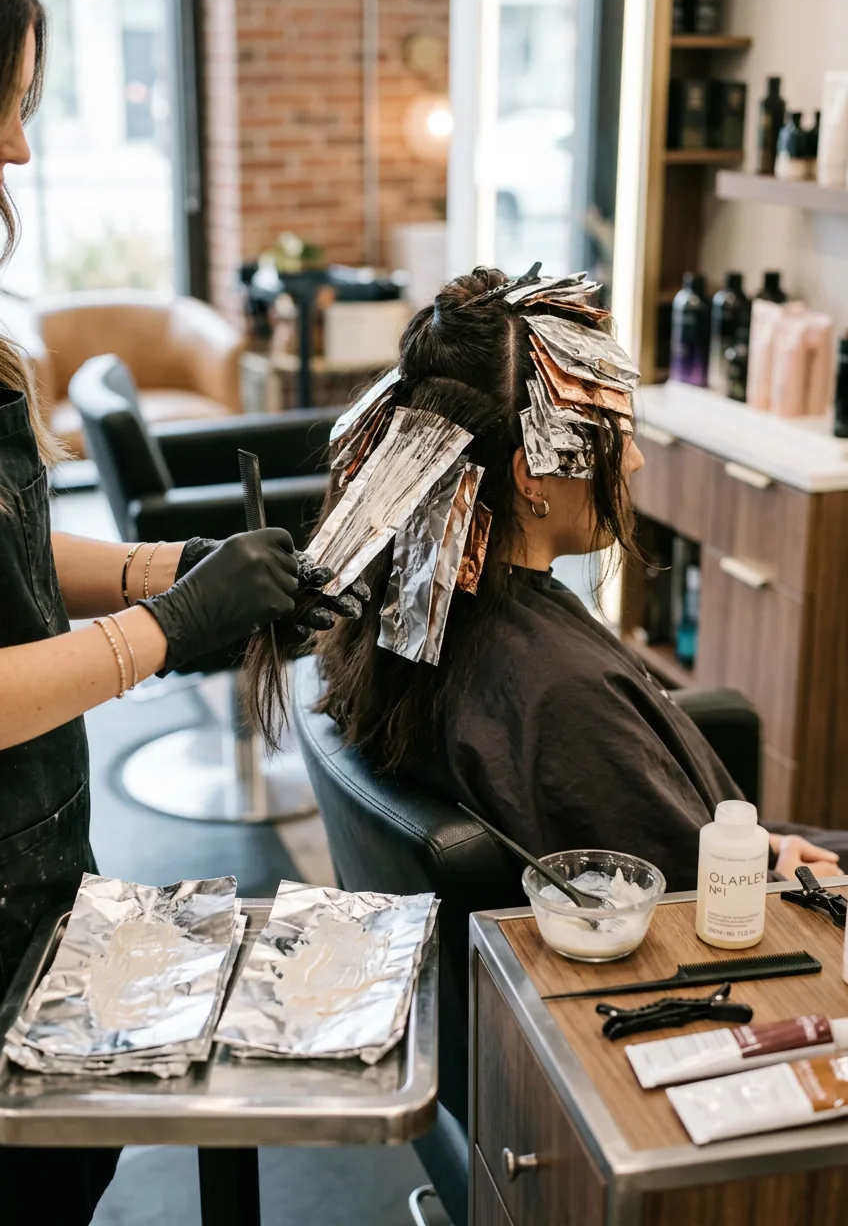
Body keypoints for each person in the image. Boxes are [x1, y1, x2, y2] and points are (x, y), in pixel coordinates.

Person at [0, 0, 362, 1222]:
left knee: (74, 1162)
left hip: (36, 857)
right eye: (7, 101)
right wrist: (161, 633)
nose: (20, 142)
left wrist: (169, 568)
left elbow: (12, 550)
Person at [312, 265, 847, 890]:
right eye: (615, 440)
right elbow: (687, 900)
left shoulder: (409, 609)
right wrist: (766, 871)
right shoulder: (561, 695)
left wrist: (758, 847)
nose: (637, 461)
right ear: (531, 475)